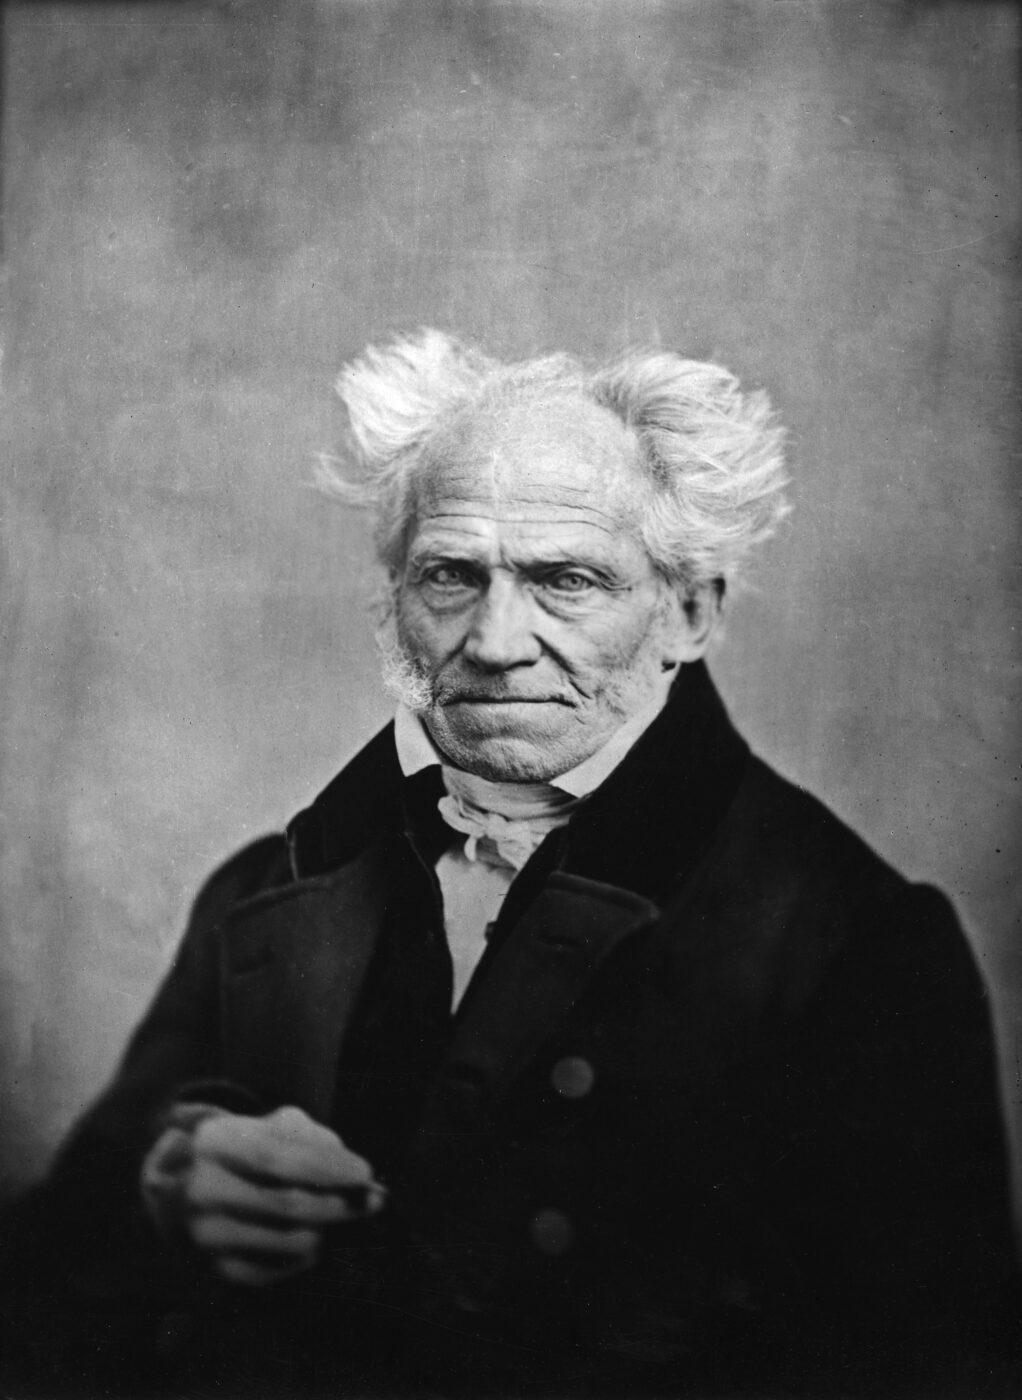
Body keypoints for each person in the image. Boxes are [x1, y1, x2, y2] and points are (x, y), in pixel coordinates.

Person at [1, 330, 1017, 1397]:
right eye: (450, 575)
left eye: (565, 579)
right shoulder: (264, 888)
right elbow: (41, 1298)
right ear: (390, 598)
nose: (493, 641)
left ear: (689, 612)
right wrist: (164, 1187)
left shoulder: (855, 943)